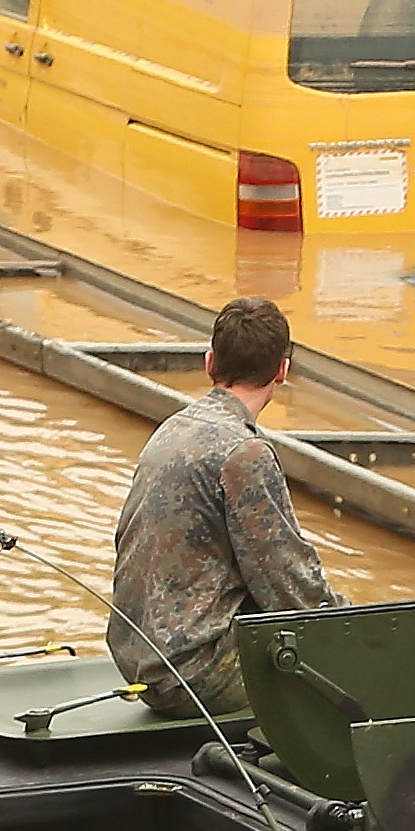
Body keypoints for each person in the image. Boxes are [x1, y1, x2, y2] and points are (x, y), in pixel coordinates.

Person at [107, 298, 338, 722]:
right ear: (282, 371)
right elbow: (290, 586)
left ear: (209, 362)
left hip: (138, 658)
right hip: (195, 677)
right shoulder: (244, 453)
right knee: (342, 664)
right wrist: (359, 628)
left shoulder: (172, 428)